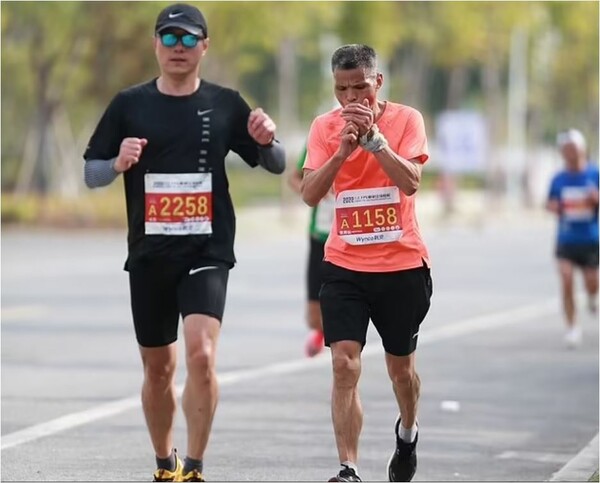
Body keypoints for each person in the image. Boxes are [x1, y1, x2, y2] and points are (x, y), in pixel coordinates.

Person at [83, 4, 285, 481]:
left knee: (202, 355)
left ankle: (194, 465)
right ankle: (164, 461)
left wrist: (270, 139)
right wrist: (116, 164)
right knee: (159, 369)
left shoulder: (225, 102)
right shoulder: (128, 105)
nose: (178, 48)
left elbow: (275, 164)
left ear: (204, 46)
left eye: (188, 39)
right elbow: (91, 172)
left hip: (207, 250)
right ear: (155, 45)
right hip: (150, 254)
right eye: (169, 39)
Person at [301, 44, 433, 482]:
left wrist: (376, 143)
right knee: (344, 363)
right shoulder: (324, 127)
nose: (353, 98)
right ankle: (348, 468)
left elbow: (411, 182)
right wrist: (341, 151)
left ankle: (408, 432)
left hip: (401, 265)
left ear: (378, 82)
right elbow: (310, 193)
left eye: (361, 87)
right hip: (344, 265)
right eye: (342, 89)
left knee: (401, 370)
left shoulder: (407, 120)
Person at [546, 129, 599, 349]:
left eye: (573, 149)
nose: (570, 154)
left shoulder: (594, 174)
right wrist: (555, 206)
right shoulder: (558, 179)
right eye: (566, 150)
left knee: (591, 281)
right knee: (566, 279)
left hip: (590, 239)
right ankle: (572, 327)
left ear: (582, 149)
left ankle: (592, 296)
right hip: (566, 239)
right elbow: (550, 202)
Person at [288, 145, 335, 357]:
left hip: (351, 238)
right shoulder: (319, 134)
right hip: (321, 235)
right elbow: (294, 178)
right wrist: (313, 190)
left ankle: (342, 342)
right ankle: (321, 332)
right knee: (313, 316)